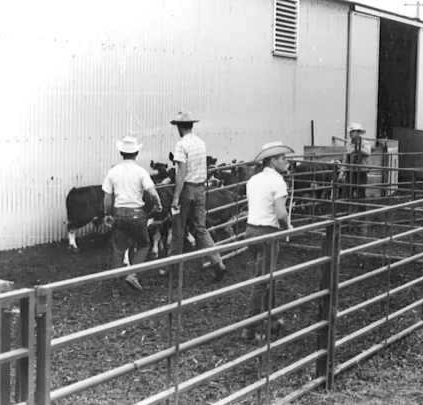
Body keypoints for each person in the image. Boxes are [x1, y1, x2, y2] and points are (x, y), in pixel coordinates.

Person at [241, 141, 294, 341]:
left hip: (251, 231)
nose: (286, 162)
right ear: (273, 161)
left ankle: (273, 320)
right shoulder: (278, 182)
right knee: (262, 282)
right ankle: (250, 329)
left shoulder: (253, 180)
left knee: (266, 276)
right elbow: (281, 213)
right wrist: (288, 227)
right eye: (283, 158)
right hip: (267, 234)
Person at [167, 111, 227, 282]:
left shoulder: (181, 145)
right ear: (191, 125)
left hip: (186, 190)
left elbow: (181, 172)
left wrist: (176, 197)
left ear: (179, 127)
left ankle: (173, 271)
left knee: (178, 230)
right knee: (201, 229)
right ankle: (218, 262)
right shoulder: (201, 143)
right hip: (200, 189)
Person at [102, 136, 162, 292]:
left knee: (118, 249)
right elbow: (153, 193)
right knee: (143, 244)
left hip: (119, 214)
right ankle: (132, 274)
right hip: (137, 215)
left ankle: (116, 289)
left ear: (121, 152)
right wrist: (158, 204)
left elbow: (108, 198)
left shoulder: (113, 172)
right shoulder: (141, 172)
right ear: (136, 153)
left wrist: (107, 214)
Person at [339, 122, 372, 201]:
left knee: (360, 194)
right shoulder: (348, 144)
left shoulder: (365, 143)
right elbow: (345, 160)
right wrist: (341, 172)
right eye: (350, 132)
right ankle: (346, 212)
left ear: (358, 132)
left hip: (361, 171)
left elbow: (368, 152)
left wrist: (356, 149)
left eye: (353, 131)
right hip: (350, 171)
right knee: (345, 194)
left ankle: (362, 211)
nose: (351, 133)